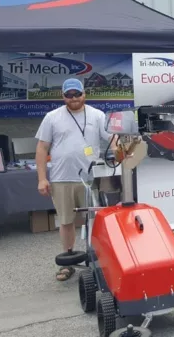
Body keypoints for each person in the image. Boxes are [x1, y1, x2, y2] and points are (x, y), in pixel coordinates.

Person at [35, 78, 116, 281]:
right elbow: (42, 148)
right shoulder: (52, 117)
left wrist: (117, 147)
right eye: (69, 95)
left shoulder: (97, 115)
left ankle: (99, 261)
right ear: (63, 96)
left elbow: (112, 137)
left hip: (90, 178)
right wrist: (42, 179)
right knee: (66, 221)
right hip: (61, 178)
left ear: (84, 94)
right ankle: (69, 262)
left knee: (95, 220)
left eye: (77, 94)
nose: (74, 98)